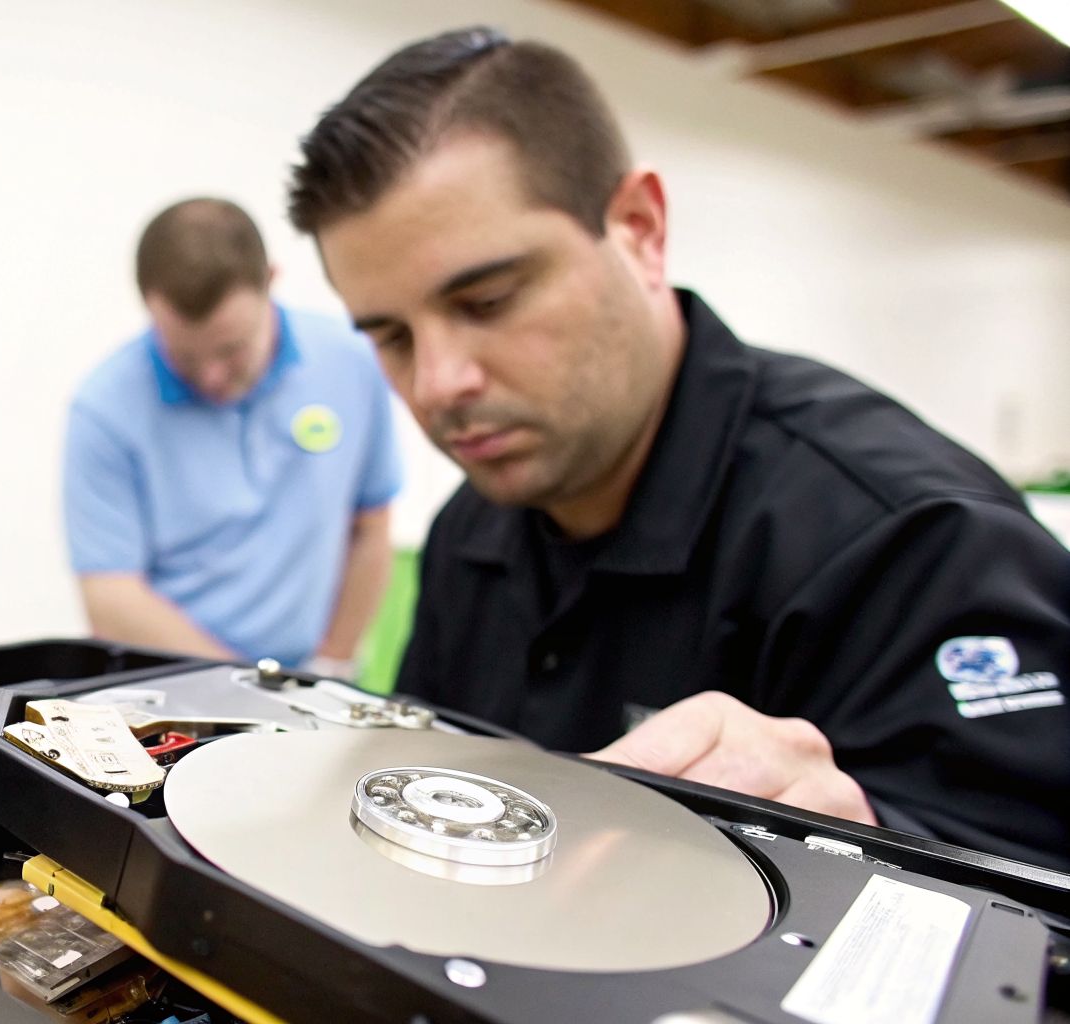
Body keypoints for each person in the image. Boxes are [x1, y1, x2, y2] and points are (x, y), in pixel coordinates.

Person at [286, 28, 1069, 868]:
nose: (438, 382)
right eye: (392, 336)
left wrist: (875, 841)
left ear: (639, 229)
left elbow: (1031, 920)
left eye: (487, 300)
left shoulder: (911, 538)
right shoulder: (469, 532)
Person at [63, 198, 402, 675]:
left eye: (232, 350)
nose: (212, 377)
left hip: (308, 679)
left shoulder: (352, 363)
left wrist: (333, 662)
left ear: (271, 280)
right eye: (186, 356)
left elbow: (370, 527)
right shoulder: (104, 407)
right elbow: (111, 595)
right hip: (165, 687)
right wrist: (247, 691)